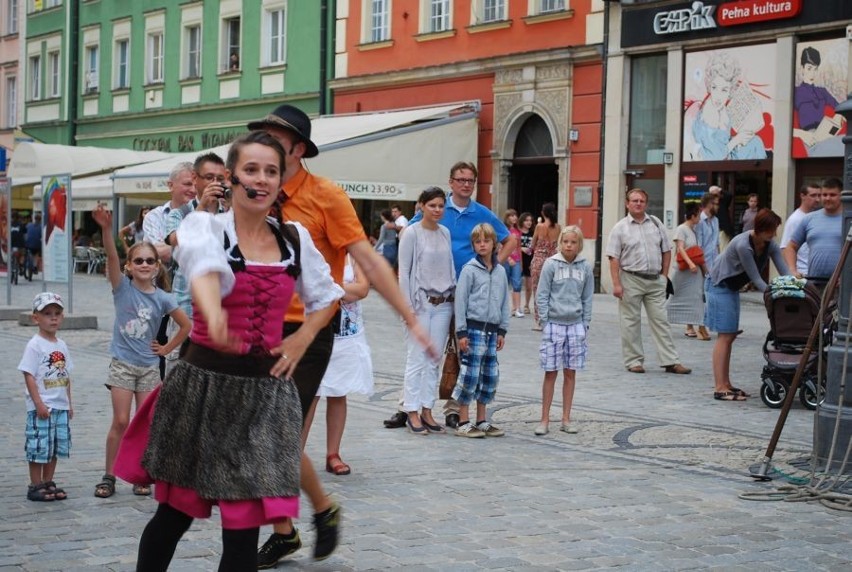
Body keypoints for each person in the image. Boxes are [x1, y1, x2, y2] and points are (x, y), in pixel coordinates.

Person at [117, 131, 344, 571]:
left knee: (242, 532)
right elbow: (201, 268)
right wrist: (213, 316)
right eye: (251, 169)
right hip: (203, 390)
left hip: (263, 395)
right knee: (174, 516)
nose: (261, 179)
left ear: (281, 182)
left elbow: (328, 296)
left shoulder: (294, 238)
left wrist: (301, 337)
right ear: (232, 178)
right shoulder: (206, 228)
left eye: (271, 171)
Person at [248, 104, 436, 565]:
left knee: (275, 436)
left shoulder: (325, 196)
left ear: (296, 148)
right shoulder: (253, 191)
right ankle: (310, 515)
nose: (264, 143)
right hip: (258, 328)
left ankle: (299, 521)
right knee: (264, 437)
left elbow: (369, 261)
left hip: (308, 331)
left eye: (274, 136)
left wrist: (409, 317)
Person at [384, 161, 516, 430]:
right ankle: (407, 408)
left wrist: (490, 268)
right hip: (424, 297)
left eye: (470, 180)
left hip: (458, 295)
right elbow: (406, 264)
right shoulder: (431, 214)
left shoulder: (481, 213)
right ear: (451, 182)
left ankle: (449, 409)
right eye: (461, 179)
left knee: (455, 355)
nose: (466, 184)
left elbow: (509, 240)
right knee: (418, 354)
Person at [92, 205, 191, 499]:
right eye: (139, 261)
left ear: (157, 266)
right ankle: (109, 475)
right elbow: (111, 255)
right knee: (121, 421)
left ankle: (141, 474)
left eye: (150, 260)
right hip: (122, 364)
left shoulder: (163, 297)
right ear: (130, 266)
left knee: (145, 423)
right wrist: (106, 230)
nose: (145, 264)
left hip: (149, 368)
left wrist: (166, 349)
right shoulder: (122, 288)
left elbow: (186, 326)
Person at [705, 209, 788, 401]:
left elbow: (784, 271)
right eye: (771, 230)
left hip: (731, 288)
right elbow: (757, 279)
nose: (774, 234)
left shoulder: (770, 244)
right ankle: (720, 387)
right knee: (725, 335)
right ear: (759, 229)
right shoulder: (743, 245)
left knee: (730, 335)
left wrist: (796, 286)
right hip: (718, 285)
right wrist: (774, 295)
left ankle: (727, 384)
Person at [606, 188, 691, 375]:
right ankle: (634, 361)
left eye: (641, 201)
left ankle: (671, 361)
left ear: (646, 203)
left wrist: (664, 276)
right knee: (630, 322)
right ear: (627, 204)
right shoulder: (620, 228)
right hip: (630, 279)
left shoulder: (655, 223)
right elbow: (613, 258)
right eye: (634, 201)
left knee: (661, 321)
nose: (638, 203)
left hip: (655, 280)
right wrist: (616, 284)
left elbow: (667, 250)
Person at [305, 255, 374, 474]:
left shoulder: (354, 254)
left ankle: (333, 454)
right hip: (314, 332)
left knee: (338, 392)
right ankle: (293, 455)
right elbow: (307, 288)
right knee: (309, 395)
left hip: (346, 334)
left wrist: (330, 291)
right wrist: (344, 291)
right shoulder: (312, 247)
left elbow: (363, 289)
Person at [398, 187, 456, 435]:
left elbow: (449, 267)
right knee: (416, 358)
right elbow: (404, 272)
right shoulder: (411, 233)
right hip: (420, 302)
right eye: (432, 205)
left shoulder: (445, 232)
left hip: (443, 302)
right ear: (421, 205)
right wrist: (407, 308)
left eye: (441, 205)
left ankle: (427, 408)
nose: (437, 210)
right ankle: (411, 410)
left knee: (434, 359)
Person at [452, 223, 510, 438]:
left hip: (492, 332)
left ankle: (482, 419)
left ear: (494, 244)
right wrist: (461, 332)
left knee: (489, 375)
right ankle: (463, 420)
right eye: (478, 241)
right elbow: (461, 301)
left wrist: (502, 329)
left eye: (486, 240)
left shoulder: (501, 272)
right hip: (473, 330)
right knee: (470, 375)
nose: (482, 244)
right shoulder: (469, 270)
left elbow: (505, 302)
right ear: (473, 245)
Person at [534, 226, 593, 436]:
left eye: (573, 242)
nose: (569, 245)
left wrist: (585, 323)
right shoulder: (551, 265)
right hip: (554, 325)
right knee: (550, 372)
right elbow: (542, 294)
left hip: (576, 325)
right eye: (566, 241)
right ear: (560, 243)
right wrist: (545, 321)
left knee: (570, 373)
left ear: (579, 244)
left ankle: (566, 418)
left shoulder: (585, 267)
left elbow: (587, 297)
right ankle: (544, 419)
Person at [18, 292, 73, 502]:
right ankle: (35, 484)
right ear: (36, 318)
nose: (53, 318)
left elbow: (66, 375)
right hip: (42, 406)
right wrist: (38, 403)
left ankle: (48, 481)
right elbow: (29, 376)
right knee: (38, 445)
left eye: (57, 313)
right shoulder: (35, 345)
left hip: (60, 405)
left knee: (55, 446)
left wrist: (69, 403)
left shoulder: (62, 345)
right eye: (47, 313)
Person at [164, 152, 228, 320]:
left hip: (221, 303)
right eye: (209, 177)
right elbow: (175, 240)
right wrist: (202, 205)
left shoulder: (229, 214)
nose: (215, 183)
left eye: (220, 179)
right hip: (186, 303)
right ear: (195, 178)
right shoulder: (179, 213)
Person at [690, 52, 767, 161]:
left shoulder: (724, 111)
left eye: (724, 90)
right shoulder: (706, 116)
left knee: (756, 141)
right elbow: (715, 157)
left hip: (728, 155)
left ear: (730, 91)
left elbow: (724, 143)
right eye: (714, 87)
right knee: (755, 145)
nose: (718, 96)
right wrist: (737, 140)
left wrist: (741, 136)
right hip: (717, 161)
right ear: (709, 86)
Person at [784, 177, 843, 287]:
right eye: (824, 195)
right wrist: (793, 270)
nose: (827, 198)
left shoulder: (848, 219)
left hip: (844, 288)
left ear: (841, 196)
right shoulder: (809, 219)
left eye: (832, 195)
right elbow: (790, 247)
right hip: (814, 285)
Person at [793, 46, 847, 158]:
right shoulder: (796, 92)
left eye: (815, 69)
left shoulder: (822, 91)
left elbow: (841, 107)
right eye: (809, 68)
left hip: (826, 135)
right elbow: (782, 126)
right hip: (809, 139)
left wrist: (839, 116)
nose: (813, 73)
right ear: (802, 68)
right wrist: (801, 134)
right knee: (844, 146)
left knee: (844, 142)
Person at [667, 203, 708, 340]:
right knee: (676, 295)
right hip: (684, 269)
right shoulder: (682, 229)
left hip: (694, 271)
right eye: (698, 215)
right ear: (693, 216)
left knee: (694, 297)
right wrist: (690, 264)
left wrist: (704, 269)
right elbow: (680, 248)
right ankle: (661, 320)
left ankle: (692, 326)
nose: (700, 219)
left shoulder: (693, 230)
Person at [530, 202, 561, 330]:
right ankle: (552, 318)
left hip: (539, 259)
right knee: (552, 290)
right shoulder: (558, 227)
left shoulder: (539, 226)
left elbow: (533, 244)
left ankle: (539, 320)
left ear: (543, 213)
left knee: (537, 290)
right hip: (553, 259)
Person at [780, 183, 822, 276]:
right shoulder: (795, 219)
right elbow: (785, 248)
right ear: (802, 196)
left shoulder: (815, 216)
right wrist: (793, 271)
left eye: (819, 195)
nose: (817, 199)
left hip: (814, 272)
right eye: (813, 195)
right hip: (803, 273)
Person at [503, 209, 524, 318]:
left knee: (517, 284)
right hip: (505, 260)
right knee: (504, 284)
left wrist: (521, 262)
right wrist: (508, 258)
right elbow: (501, 245)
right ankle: (504, 308)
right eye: (511, 216)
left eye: (515, 215)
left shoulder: (517, 231)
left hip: (516, 260)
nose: (514, 218)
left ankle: (517, 308)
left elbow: (519, 247)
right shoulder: (503, 230)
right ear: (507, 218)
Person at [519, 212, 535, 314]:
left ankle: (526, 305)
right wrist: (521, 248)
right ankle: (515, 306)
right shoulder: (517, 232)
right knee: (517, 284)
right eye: (526, 220)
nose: (529, 222)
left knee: (529, 285)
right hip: (518, 259)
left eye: (530, 220)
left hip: (530, 260)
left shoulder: (534, 232)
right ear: (522, 221)